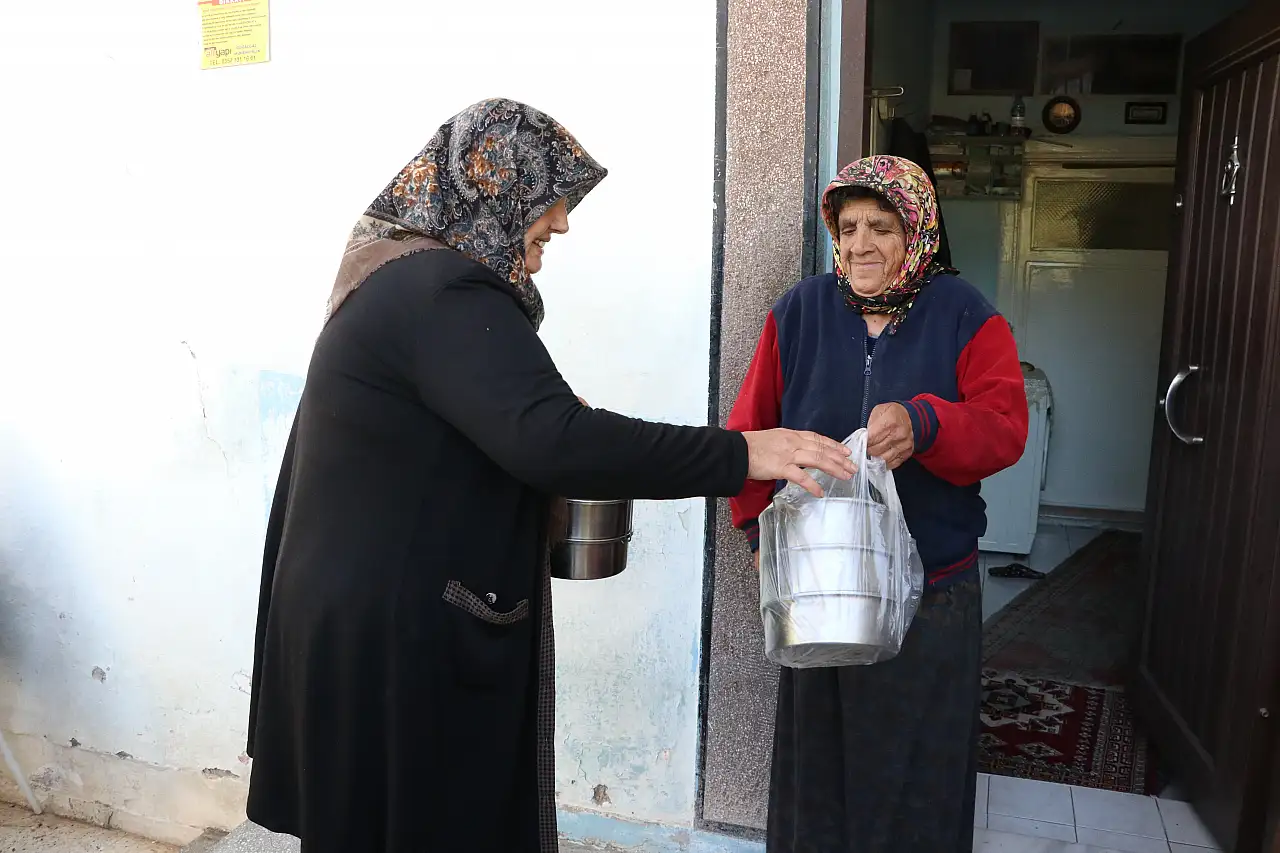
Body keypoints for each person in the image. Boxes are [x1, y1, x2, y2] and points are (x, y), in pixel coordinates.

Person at [245, 98, 855, 853]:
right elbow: (554, 442)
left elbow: (497, 427)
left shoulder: (404, 277)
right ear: (493, 184)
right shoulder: (446, 291)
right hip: (394, 633)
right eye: (550, 191)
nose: (562, 219)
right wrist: (743, 454)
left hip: (361, 611)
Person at [727, 155, 1029, 853]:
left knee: (915, 768)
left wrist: (926, 423)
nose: (860, 245)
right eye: (848, 226)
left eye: (881, 227)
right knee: (821, 768)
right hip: (820, 589)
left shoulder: (965, 315)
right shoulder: (798, 312)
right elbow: (747, 436)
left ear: (916, 231)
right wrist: (758, 539)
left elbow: (1004, 426)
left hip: (933, 593)